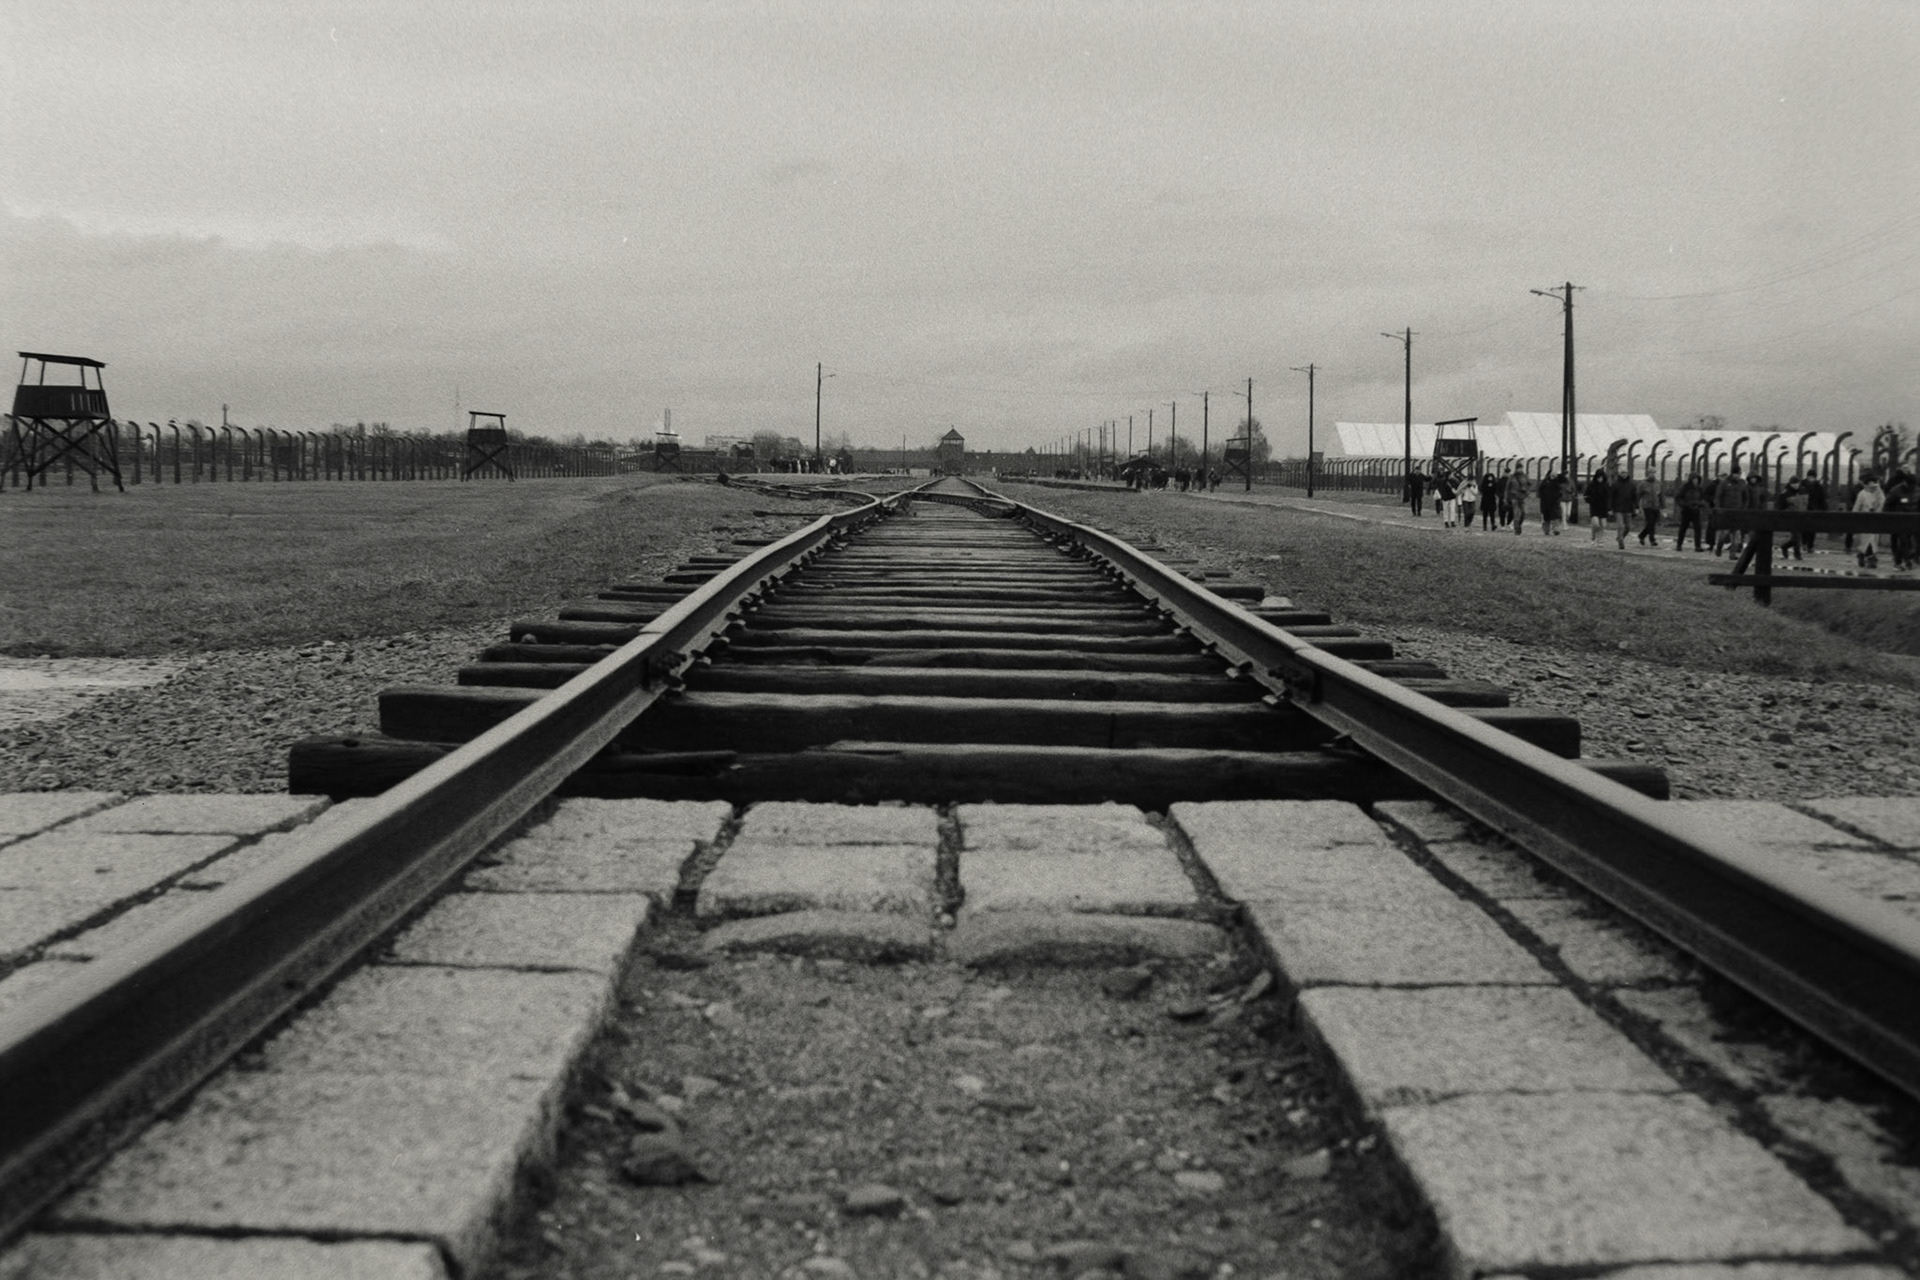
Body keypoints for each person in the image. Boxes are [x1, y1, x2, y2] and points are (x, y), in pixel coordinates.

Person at [1713, 467, 1748, 558]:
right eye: (1736, 474)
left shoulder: (1742, 484)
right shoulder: (1724, 483)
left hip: (1737, 512)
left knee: (1736, 535)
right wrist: (1718, 508)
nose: (1738, 476)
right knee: (1725, 532)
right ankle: (1719, 546)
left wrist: (1744, 508)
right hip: (1726, 512)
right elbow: (1718, 496)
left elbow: (1746, 497)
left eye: (1739, 474)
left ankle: (1732, 554)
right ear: (1732, 474)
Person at [1853, 473, 1885, 568]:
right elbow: (1857, 506)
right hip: (1864, 520)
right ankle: (1866, 556)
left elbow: (1883, 503)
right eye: (1869, 484)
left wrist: (1879, 492)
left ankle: (1868, 556)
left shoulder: (1879, 494)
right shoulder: (1862, 494)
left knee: (1873, 540)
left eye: (1873, 484)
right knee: (1865, 540)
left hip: (1875, 520)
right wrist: (1854, 518)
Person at [1885, 470, 1916, 570]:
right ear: (1905, 483)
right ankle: (1901, 561)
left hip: (1913, 520)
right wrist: (1891, 517)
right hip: (1899, 520)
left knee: (1910, 542)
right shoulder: (1896, 491)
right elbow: (1888, 504)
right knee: (1904, 541)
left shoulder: (1917, 491)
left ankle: (1905, 559)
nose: (1912, 487)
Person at [1673, 471, 1707, 551]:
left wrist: (1700, 504)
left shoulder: (1699, 488)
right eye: (1694, 479)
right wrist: (1685, 505)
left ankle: (1697, 546)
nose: (1695, 481)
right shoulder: (1685, 487)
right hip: (1686, 510)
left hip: (1696, 510)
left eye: (1697, 479)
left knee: (1698, 529)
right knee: (1683, 528)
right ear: (1690, 480)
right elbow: (1678, 498)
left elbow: (1703, 498)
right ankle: (1679, 545)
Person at [1609, 467, 1639, 549]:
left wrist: (1636, 507)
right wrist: (1610, 508)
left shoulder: (1632, 484)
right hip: (1618, 508)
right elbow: (1611, 497)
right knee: (1620, 526)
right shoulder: (1615, 484)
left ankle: (1620, 537)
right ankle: (1621, 542)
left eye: (1625, 472)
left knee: (1628, 526)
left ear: (1627, 473)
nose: (1624, 474)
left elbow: (1635, 497)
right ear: (1619, 474)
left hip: (1628, 508)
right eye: (1622, 473)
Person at [1636, 472, 1665, 546]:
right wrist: (1636, 506)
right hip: (1647, 505)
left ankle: (1642, 535)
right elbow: (1638, 495)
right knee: (1650, 522)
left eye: (1653, 473)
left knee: (1653, 523)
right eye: (1650, 473)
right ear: (1647, 474)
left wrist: (1663, 506)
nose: (1652, 475)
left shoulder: (1658, 483)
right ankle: (1652, 539)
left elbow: (1661, 495)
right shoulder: (1642, 484)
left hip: (1656, 505)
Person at [1584, 468, 1611, 542]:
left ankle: (1600, 539)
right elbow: (1586, 495)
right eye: (1598, 477)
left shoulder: (1606, 485)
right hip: (1594, 507)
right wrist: (1590, 500)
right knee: (1596, 524)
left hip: (1603, 507)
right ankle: (1593, 534)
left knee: (1603, 525)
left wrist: (1609, 508)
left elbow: (1609, 497)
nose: (1600, 479)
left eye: (1601, 477)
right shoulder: (1591, 485)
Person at [1504, 468, 1532, 535]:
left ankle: (1518, 524)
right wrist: (1506, 498)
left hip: (1522, 497)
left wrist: (1527, 492)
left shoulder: (1525, 477)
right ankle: (1517, 528)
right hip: (1514, 497)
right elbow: (1507, 488)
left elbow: (1529, 485)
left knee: (1523, 512)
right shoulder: (1512, 477)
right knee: (1516, 513)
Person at [1539, 470, 1565, 535]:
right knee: (1546, 517)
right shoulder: (1545, 482)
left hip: (1555, 502)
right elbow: (1540, 491)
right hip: (1546, 502)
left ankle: (1556, 529)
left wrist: (1558, 475)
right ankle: (1546, 530)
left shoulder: (1557, 481)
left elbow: (1564, 480)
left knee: (1556, 516)